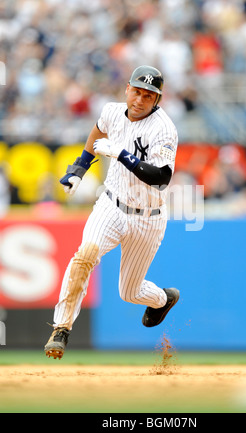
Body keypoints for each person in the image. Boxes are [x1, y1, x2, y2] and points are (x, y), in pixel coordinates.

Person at [44, 65, 180, 359]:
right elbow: (98, 129)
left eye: (148, 95)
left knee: (129, 292)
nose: (140, 99)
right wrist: (80, 167)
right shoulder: (111, 111)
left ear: (157, 100)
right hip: (111, 204)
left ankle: (163, 299)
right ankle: (61, 329)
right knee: (84, 256)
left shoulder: (164, 129)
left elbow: (161, 177)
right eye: (137, 91)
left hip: (148, 216)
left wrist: (120, 154)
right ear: (127, 89)